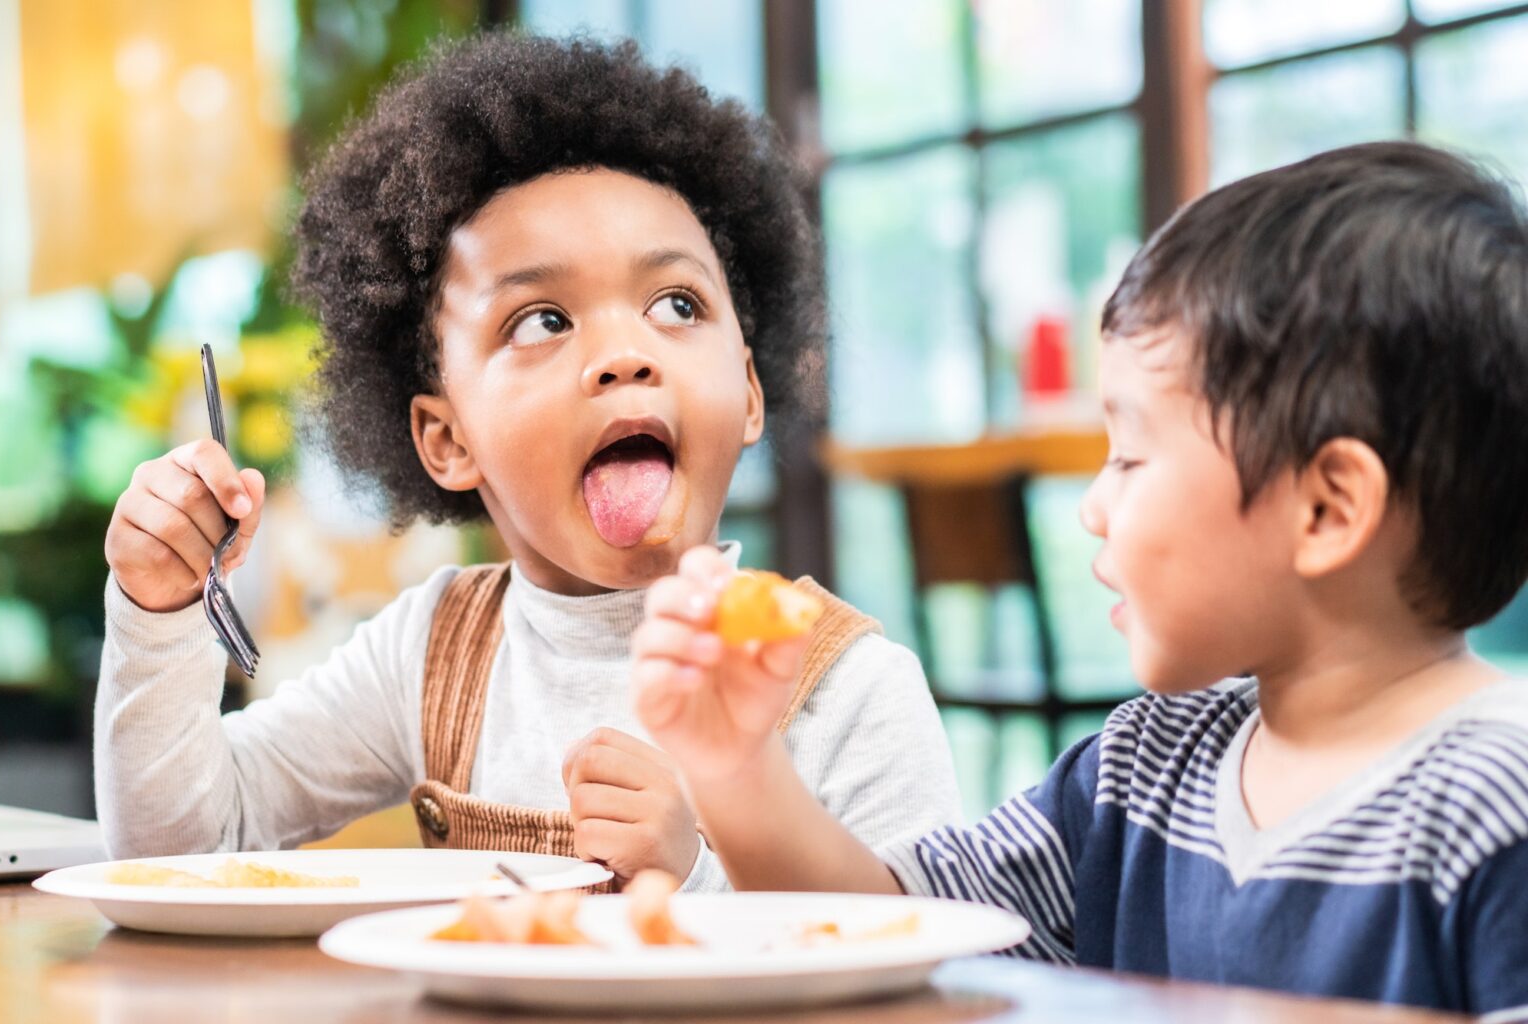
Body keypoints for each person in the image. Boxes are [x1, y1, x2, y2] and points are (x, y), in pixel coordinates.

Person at [631, 140, 1528, 1014]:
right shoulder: (1142, 769)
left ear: (1328, 510)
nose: (1093, 508)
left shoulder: (1497, 803)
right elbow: (885, 930)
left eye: (1131, 459)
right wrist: (738, 764)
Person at [94, 34, 959, 890]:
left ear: (748, 388)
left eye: (676, 302)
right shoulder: (436, 651)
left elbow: (926, 963)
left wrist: (691, 876)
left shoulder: (848, 688)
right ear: (447, 440)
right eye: (542, 320)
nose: (625, 353)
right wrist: (158, 612)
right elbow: (186, 846)